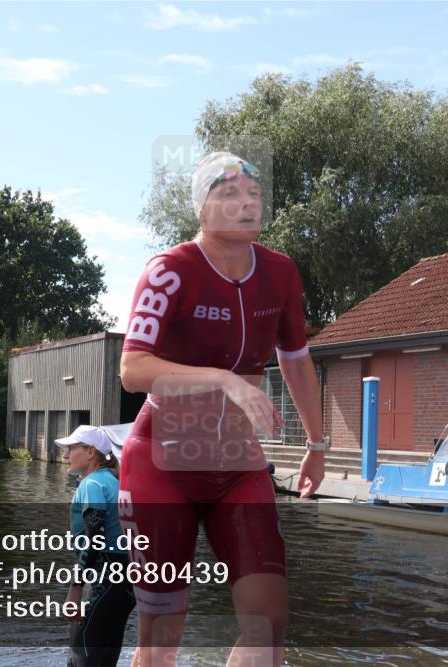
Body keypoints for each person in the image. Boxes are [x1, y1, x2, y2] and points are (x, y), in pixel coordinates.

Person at [118, 151, 328, 666]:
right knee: (162, 635)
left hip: (237, 463)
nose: (246, 204)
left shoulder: (280, 272)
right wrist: (223, 379)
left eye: (254, 194)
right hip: (162, 463)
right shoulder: (169, 270)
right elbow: (132, 368)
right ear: (202, 210)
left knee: (269, 624)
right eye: (229, 194)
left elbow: (297, 362)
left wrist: (317, 445)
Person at [58, 425, 136, 666]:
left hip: (109, 579)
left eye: (71, 449)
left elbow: (95, 537)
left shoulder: (92, 484)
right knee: (103, 659)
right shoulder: (114, 480)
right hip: (126, 582)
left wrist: (76, 588)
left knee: (80, 657)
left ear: (91, 451)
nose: (64, 455)